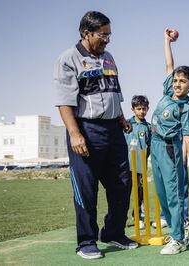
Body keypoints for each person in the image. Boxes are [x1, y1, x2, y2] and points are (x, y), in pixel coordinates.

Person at [54, 11, 137, 259]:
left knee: (123, 183)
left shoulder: (109, 58)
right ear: (86, 33)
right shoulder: (68, 58)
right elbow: (64, 101)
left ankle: (113, 232)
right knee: (87, 188)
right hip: (86, 130)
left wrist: (121, 117)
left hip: (113, 130)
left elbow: (113, 91)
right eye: (104, 35)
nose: (108, 39)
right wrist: (74, 133)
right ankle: (86, 241)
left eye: (109, 34)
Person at [150, 28, 189, 255]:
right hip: (155, 145)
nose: (178, 84)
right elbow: (169, 65)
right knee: (161, 193)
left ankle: (178, 239)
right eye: (177, 80)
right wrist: (166, 41)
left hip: (171, 149)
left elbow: (188, 139)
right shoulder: (168, 90)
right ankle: (178, 229)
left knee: (174, 195)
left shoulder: (185, 108)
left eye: (183, 82)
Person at [125, 95, 151, 230]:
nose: (142, 111)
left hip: (140, 167)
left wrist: (145, 159)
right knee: (124, 193)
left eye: (144, 109)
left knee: (139, 194)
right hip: (126, 166)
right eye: (139, 109)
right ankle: (121, 218)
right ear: (132, 109)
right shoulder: (126, 124)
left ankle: (138, 217)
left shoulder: (148, 127)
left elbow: (150, 146)